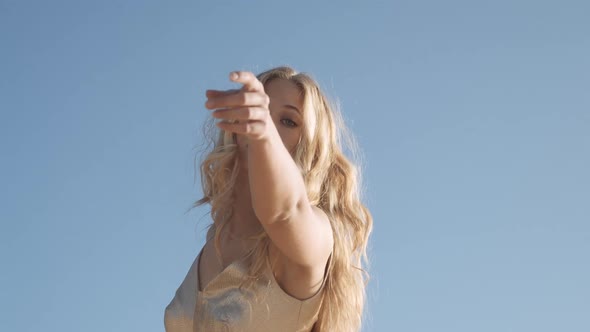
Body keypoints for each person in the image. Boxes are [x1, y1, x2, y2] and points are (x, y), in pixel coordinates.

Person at [164, 66, 373, 332]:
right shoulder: (214, 243)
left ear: (312, 148)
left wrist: (264, 132)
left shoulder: (315, 234)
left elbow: (283, 213)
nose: (263, 123)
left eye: (287, 121)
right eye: (257, 109)